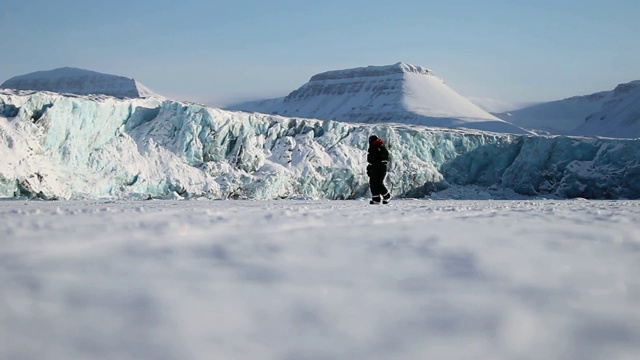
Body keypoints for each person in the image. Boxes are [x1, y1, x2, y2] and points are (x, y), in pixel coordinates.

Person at [366, 135, 391, 204]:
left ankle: (387, 196)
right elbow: (371, 159)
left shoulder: (380, 147)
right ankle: (376, 199)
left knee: (378, 183)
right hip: (374, 167)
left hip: (380, 167)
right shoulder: (372, 148)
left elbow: (385, 157)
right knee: (373, 183)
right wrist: (370, 167)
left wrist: (382, 164)